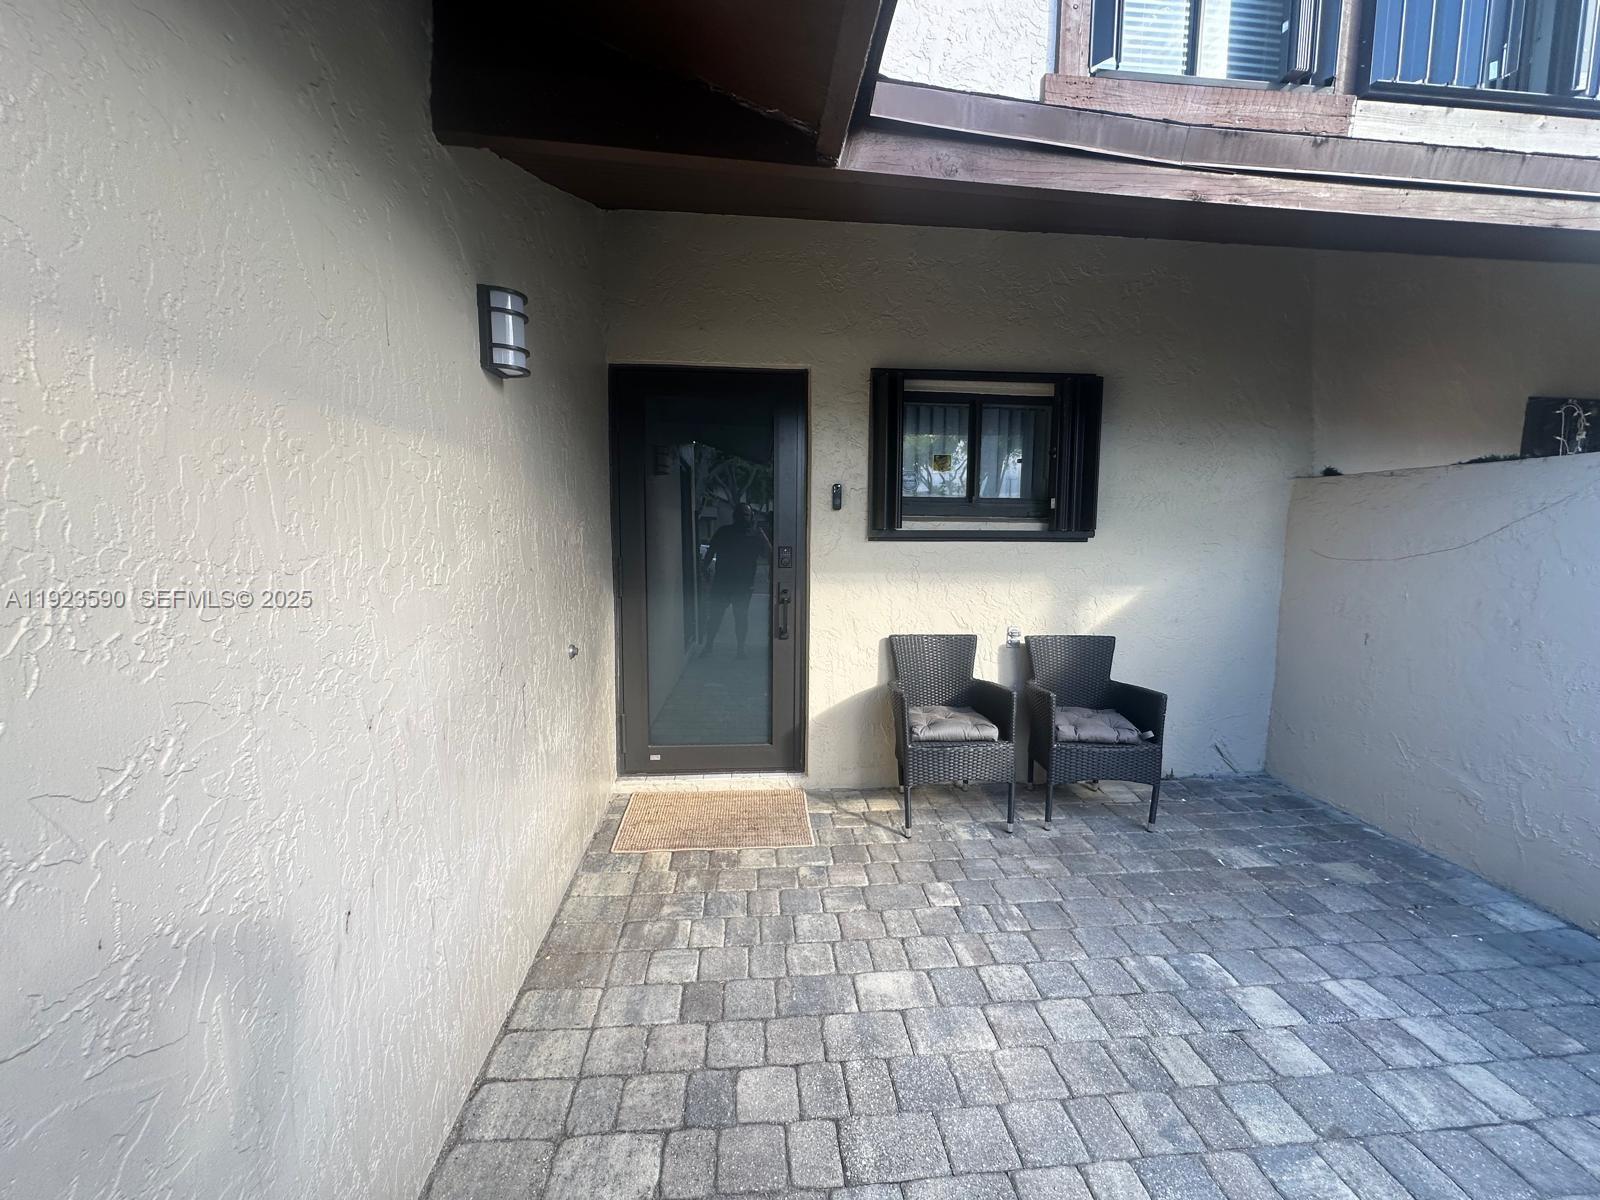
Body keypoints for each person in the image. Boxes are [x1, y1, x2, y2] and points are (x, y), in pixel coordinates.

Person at [700, 502, 771, 658]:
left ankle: (740, 649)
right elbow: (710, 552)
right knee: (715, 617)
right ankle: (709, 645)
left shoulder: (755, 536)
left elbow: (770, 555)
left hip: (743, 586)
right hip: (722, 583)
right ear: (735, 517)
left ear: (751, 517)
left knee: (741, 618)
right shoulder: (723, 532)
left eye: (746, 515)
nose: (743, 518)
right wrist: (704, 570)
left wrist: (763, 536)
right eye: (740, 515)